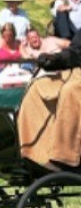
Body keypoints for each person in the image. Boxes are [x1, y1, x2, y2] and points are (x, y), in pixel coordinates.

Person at [18, 29, 81, 170]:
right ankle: (33, 153)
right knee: (37, 87)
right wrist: (53, 59)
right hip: (75, 73)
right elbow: (74, 53)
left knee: (72, 90)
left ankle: (66, 158)